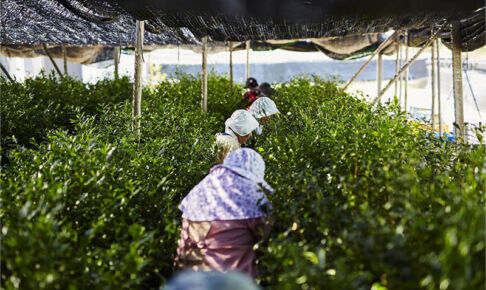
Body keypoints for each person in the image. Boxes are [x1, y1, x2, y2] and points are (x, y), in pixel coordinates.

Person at [174, 148, 274, 279]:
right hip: (230, 280)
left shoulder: (202, 187)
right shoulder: (250, 192)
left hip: (186, 276)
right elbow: (267, 233)